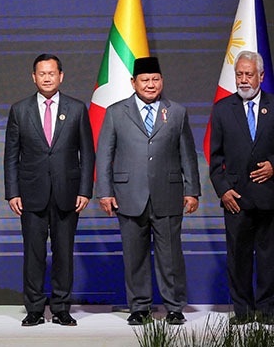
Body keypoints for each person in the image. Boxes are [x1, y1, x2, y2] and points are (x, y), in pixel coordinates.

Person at [96, 56, 200, 325]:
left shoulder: (176, 112)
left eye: (155, 79)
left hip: (168, 193)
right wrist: (105, 192)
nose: (151, 84)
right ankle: (139, 307)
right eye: (145, 80)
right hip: (128, 195)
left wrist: (192, 190)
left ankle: (174, 306)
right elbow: (105, 155)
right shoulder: (116, 112)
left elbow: (187, 155)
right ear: (133, 82)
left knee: (171, 256)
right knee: (134, 255)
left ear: (162, 81)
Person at [3, 54, 94, 327]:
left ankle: (61, 308)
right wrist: (12, 192)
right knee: (33, 254)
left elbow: (87, 154)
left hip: (68, 193)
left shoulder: (77, 109)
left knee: (64, 253)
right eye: (41, 73)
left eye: (51, 73)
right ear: (34, 77)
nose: (46, 78)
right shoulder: (20, 110)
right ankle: (33, 309)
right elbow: (11, 156)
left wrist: (85, 190)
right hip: (31, 195)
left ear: (61, 76)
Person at [209, 51, 274, 324]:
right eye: (239, 74)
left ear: (261, 76)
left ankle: (267, 309)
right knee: (238, 256)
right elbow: (215, 158)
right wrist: (223, 191)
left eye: (249, 74)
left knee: (269, 256)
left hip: (269, 195)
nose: (244, 80)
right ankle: (243, 310)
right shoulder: (223, 109)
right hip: (235, 197)